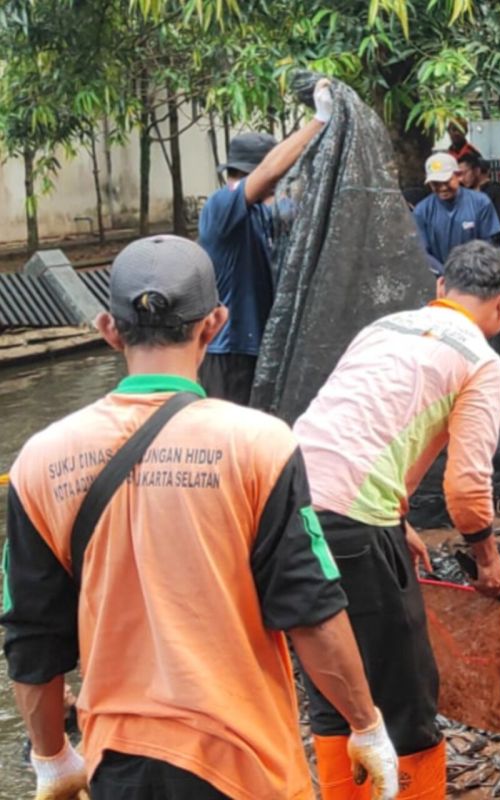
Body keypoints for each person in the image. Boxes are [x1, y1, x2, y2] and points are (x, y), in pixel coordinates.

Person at [1, 235, 399, 800]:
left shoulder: (39, 461)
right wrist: (366, 724)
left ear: (108, 330)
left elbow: (31, 637)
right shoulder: (258, 445)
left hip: (119, 767)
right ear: (214, 324)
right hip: (244, 767)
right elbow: (311, 611)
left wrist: (52, 758)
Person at [293, 241, 500, 800]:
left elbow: (352, 428)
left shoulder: (386, 326)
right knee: (405, 695)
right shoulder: (480, 361)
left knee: (332, 678)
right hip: (350, 523)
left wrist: (396, 521)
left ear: (440, 291)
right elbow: (466, 487)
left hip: (283, 504)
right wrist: (486, 558)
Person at [198, 79, 334, 404]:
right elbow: (271, 172)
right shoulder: (222, 206)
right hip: (228, 349)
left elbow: (298, 207)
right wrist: (320, 121)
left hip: (259, 346)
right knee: (233, 439)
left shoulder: (262, 212)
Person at [412, 153, 500, 273]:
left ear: (458, 176)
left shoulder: (480, 203)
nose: (443, 188)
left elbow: (489, 244)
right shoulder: (422, 211)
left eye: (446, 181)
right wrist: (444, 276)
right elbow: (422, 251)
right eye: (436, 184)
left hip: (476, 276)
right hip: (440, 279)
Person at [457, 151, 500, 225]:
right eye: (458, 175)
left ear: (477, 171)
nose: (461, 179)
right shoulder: (462, 193)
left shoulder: (496, 191)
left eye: (464, 173)